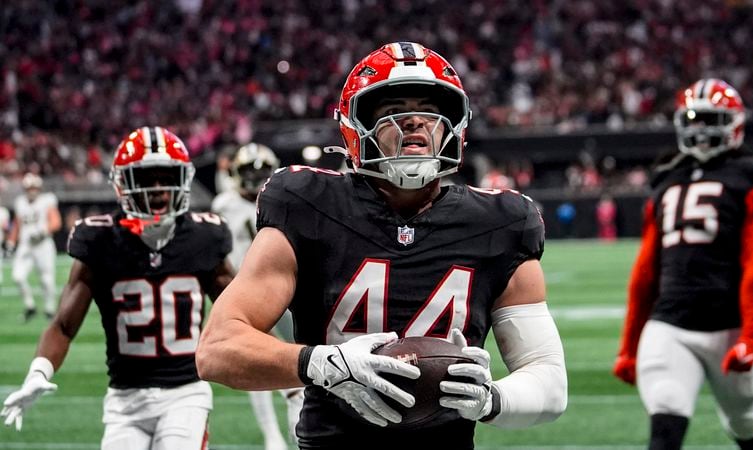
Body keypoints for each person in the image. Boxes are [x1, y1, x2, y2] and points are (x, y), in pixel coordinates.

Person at [196, 42, 567, 450]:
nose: (416, 123)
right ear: (355, 126)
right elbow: (218, 348)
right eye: (393, 111)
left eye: (431, 111)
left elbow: (548, 379)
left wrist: (491, 399)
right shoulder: (308, 202)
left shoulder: (501, 222)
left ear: (453, 125)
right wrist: (324, 364)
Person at [1, 127, 234, 449]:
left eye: (166, 176)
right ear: (123, 183)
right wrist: (39, 372)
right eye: (147, 178)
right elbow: (64, 325)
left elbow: (240, 314)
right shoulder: (100, 239)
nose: (159, 188)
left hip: (185, 394)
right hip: (124, 400)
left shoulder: (204, 237)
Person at [613, 79, 753, 450]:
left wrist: (751, 337)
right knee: (665, 426)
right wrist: (629, 345)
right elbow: (645, 273)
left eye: (710, 120)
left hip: (729, 327)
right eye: (693, 119)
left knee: (747, 427)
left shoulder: (752, 177)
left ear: (733, 123)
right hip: (670, 323)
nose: (701, 130)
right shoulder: (667, 178)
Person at [211, 143, 304, 450]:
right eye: (249, 172)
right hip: (244, 291)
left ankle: (299, 416)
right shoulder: (224, 204)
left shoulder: (283, 197)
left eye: (261, 172)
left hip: (283, 289)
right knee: (253, 359)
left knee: (299, 354)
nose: (255, 179)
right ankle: (271, 433)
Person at [7, 172, 62, 322]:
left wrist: (43, 232)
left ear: (39, 188)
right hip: (26, 246)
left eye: (34, 187)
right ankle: (30, 306)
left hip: (43, 245)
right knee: (17, 276)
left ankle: (50, 310)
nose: (32, 190)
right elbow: (17, 225)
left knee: (46, 280)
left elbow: (56, 221)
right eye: (29, 187)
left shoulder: (46, 201)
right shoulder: (20, 202)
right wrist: (11, 242)